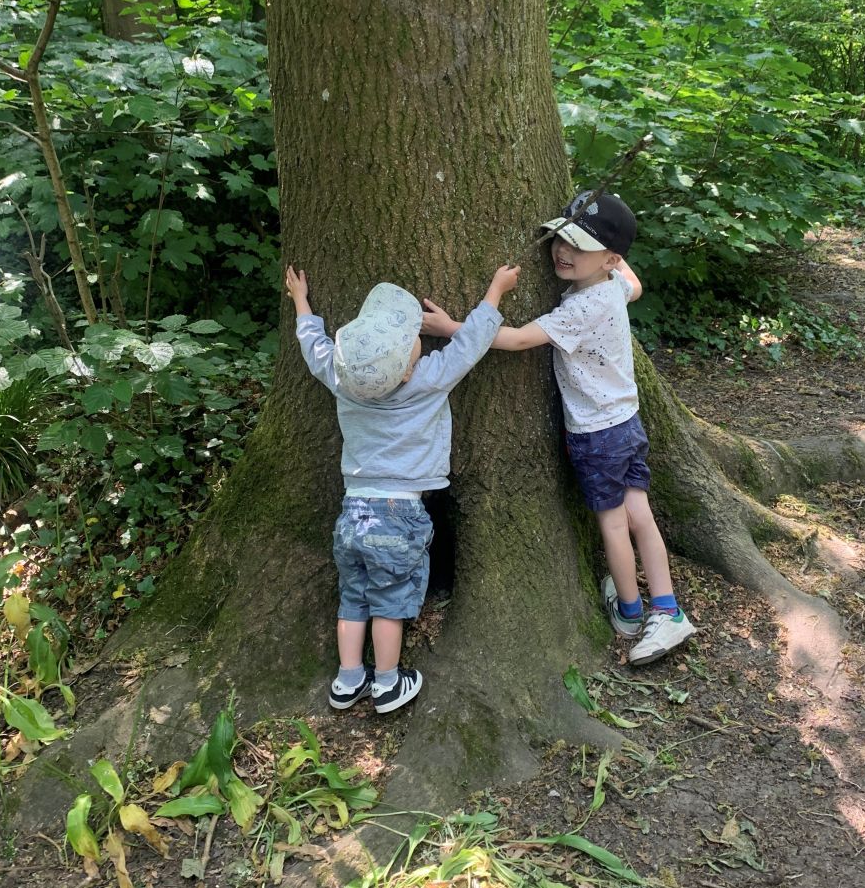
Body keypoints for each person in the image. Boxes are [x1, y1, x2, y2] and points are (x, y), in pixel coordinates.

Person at [421, 192, 695, 665]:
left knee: (613, 524)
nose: (562, 250)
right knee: (639, 516)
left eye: (580, 245)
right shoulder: (613, 287)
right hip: (627, 423)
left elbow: (518, 338)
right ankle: (666, 606)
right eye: (562, 237)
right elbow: (636, 282)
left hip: (596, 434)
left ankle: (632, 613)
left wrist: (451, 329)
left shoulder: (580, 308)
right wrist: (613, 256)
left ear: (606, 258)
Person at [285, 263, 519, 713]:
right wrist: (495, 291)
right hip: (399, 513)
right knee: (389, 601)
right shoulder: (427, 378)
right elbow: (471, 345)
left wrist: (301, 300)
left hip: (353, 513)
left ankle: (347, 679)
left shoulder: (342, 379)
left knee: (353, 596)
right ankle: (388, 683)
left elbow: (314, 348)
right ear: (408, 367)